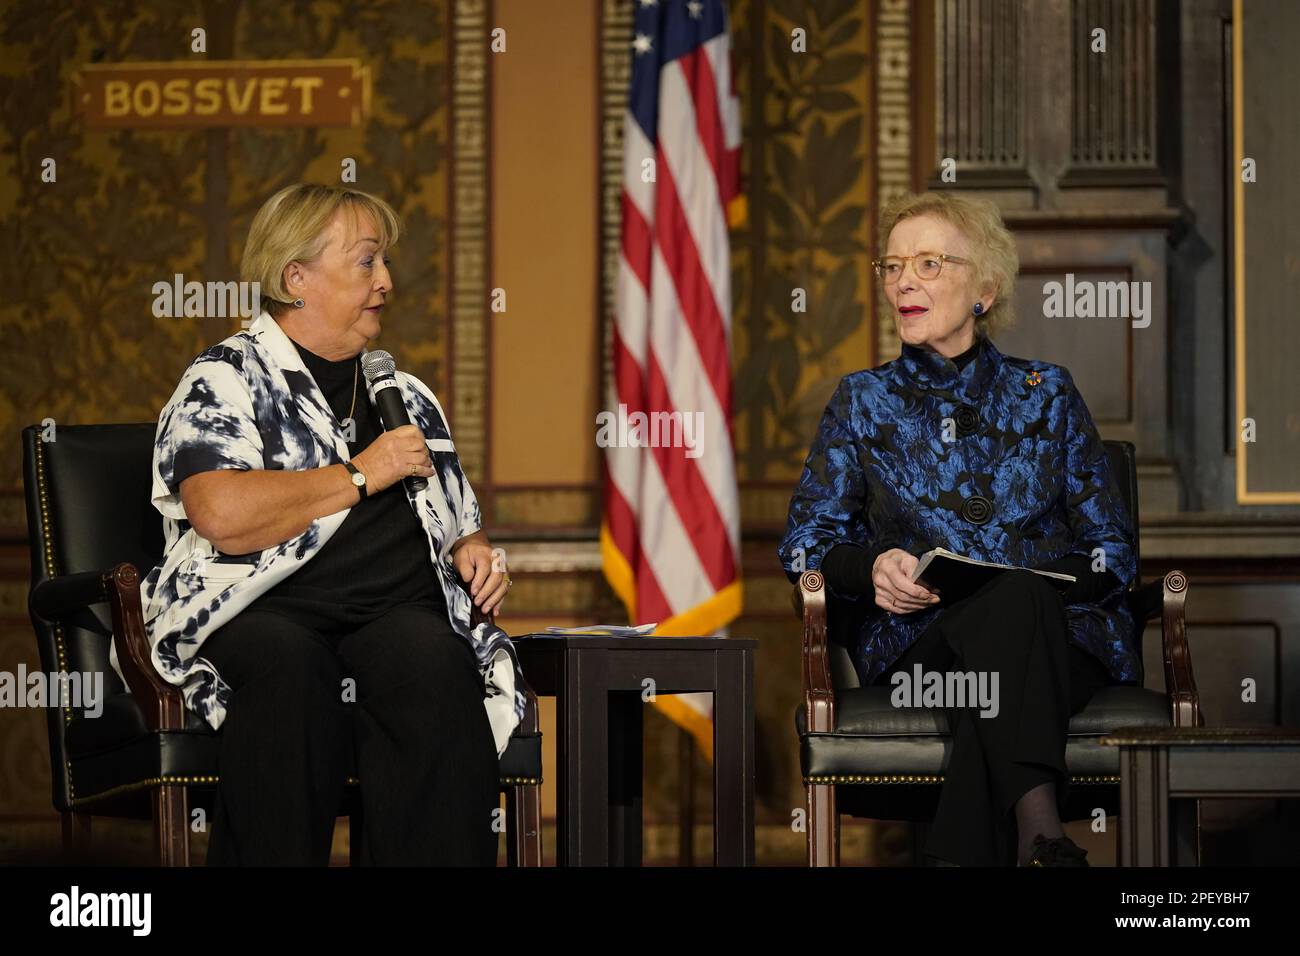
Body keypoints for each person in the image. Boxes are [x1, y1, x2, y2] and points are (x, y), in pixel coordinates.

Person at [126, 184, 524, 865]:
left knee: (433, 664)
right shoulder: (224, 379)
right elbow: (220, 514)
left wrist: (473, 550)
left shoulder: (404, 395)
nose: (387, 282)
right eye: (368, 262)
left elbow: (458, 521)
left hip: (390, 613)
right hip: (264, 612)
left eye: (385, 263)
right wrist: (362, 473)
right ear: (296, 278)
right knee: (292, 674)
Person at [778, 191, 1139, 867]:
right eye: (892, 266)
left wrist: (1039, 591)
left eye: (929, 263)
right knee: (1007, 621)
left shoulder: (1048, 394)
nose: (903, 280)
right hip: (924, 646)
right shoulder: (862, 402)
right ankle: (1045, 840)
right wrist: (871, 567)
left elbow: (1113, 552)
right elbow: (804, 542)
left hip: (1063, 638)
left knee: (1016, 607)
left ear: (985, 288)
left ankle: (1011, 849)